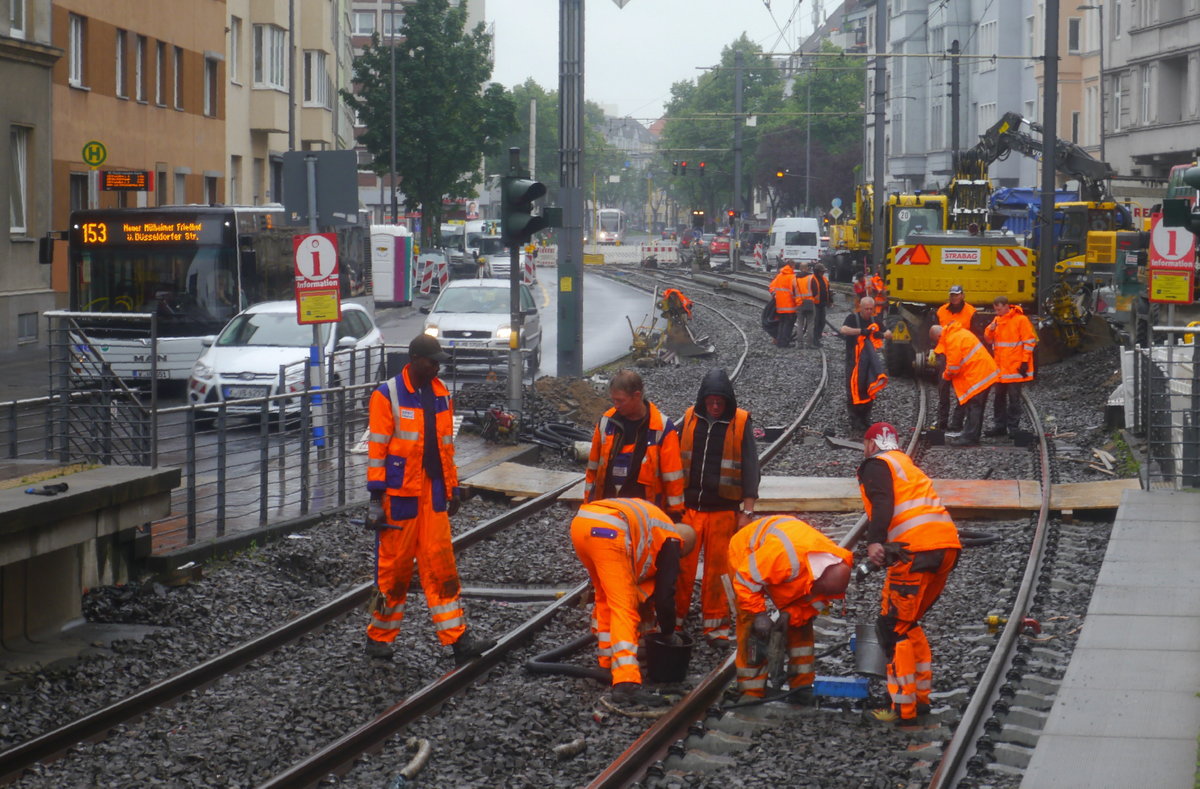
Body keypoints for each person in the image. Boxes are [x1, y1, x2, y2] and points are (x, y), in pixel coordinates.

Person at [364, 334, 496, 664]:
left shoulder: (440, 394)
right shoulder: (387, 395)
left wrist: (452, 488)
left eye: (439, 362)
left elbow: (446, 449)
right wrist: (375, 500)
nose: (437, 367)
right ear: (413, 359)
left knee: (441, 567)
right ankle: (378, 636)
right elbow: (377, 450)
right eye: (431, 361)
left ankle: (459, 640)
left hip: (433, 494)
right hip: (400, 497)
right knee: (391, 572)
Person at [857, 422, 961, 726]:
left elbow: (882, 502)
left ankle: (903, 708)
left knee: (892, 627)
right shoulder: (906, 464)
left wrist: (874, 541)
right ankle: (920, 699)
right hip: (946, 549)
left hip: (914, 552)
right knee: (908, 623)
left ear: (872, 444)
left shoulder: (876, 464)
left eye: (865, 445)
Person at [570, 498, 697, 707]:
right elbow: (666, 597)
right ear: (683, 546)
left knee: (604, 597)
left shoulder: (658, 524)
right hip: (609, 532)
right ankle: (626, 681)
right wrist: (668, 632)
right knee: (624, 607)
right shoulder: (673, 540)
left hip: (582, 523)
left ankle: (607, 661)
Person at [676, 368, 760, 643]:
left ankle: (716, 627)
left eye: (719, 402)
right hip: (689, 510)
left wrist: (747, 512)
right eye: (710, 401)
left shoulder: (741, 421)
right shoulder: (689, 418)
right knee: (680, 569)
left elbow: (750, 467)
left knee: (719, 572)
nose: (714, 406)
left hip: (723, 512)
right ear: (703, 399)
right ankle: (674, 622)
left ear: (727, 401)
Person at [727, 516, 853, 700]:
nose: (821, 597)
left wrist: (790, 614)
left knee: (801, 623)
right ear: (816, 578)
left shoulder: (833, 567)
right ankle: (751, 690)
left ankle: (801, 686)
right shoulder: (784, 556)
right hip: (746, 555)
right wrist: (759, 614)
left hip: (783, 568)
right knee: (751, 624)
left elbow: (810, 605)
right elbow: (745, 580)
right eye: (820, 591)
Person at [584, 370, 685, 520]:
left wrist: (675, 515)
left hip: (646, 515)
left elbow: (673, 476)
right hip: (608, 511)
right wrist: (588, 505)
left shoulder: (661, 428)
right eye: (614, 401)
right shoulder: (606, 423)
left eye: (620, 401)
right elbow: (592, 469)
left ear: (637, 396)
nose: (616, 405)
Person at [930, 322, 998, 446]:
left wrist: (945, 376)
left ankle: (969, 438)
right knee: (977, 406)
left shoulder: (952, 339)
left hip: (978, 375)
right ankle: (972, 435)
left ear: (940, 336)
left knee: (974, 406)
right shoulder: (958, 334)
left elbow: (953, 367)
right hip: (983, 372)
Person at [984, 296, 1038, 437]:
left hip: (1014, 368)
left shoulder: (1021, 320)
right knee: (999, 399)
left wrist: (1024, 362)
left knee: (1014, 399)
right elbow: (988, 339)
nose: (997, 312)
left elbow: (1029, 341)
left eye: (999, 309)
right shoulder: (997, 320)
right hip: (1002, 369)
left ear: (1007, 306)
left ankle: (1013, 428)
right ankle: (1000, 426)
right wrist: (991, 329)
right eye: (995, 309)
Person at [840, 296, 891, 433]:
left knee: (869, 388)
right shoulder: (853, 318)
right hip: (854, 361)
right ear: (861, 308)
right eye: (866, 309)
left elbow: (888, 333)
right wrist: (860, 331)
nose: (869, 311)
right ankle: (855, 420)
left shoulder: (875, 320)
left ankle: (865, 418)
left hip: (869, 362)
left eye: (871, 309)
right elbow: (843, 330)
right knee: (853, 389)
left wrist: (882, 334)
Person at [934, 285, 977, 432]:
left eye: (957, 295)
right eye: (952, 295)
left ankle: (957, 422)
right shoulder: (941, 311)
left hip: (963, 356)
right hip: (945, 354)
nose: (954, 298)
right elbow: (935, 333)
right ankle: (942, 421)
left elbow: (975, 334)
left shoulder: (971, 312)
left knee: (962, 390)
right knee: (943, 390)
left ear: (963, 296)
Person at [768, 264, 800, 347]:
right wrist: (799, 304)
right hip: (790, 306)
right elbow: (795, 292)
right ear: (792, 267)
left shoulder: (779, 276)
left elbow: (772, 287)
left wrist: (775, 295)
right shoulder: (792, 277)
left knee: (782, 324)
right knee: (788, 325)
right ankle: (784, 343)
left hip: (780, 306)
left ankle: (779, 342)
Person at [794, 262, 816, 346]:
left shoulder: (795, 279)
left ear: (800, 268)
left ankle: (799, 343)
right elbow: (815, 291)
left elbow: (793, 291)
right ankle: (810, 343)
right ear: (807, 268)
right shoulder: (811, 278)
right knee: (810, 323)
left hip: (799, 303)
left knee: (800, 323)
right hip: (810, 303)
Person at [810, 263, 831, 348]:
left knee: (822, 322)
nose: (823, 273)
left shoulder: (825, 279)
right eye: (821, 272)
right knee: (816, 322)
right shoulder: (812, 279)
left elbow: (827, 291)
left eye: (823, 272)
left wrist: (830, 301)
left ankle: (818, 337)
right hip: (815, 304)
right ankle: (814, 340)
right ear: (817, 272)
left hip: (822, 304)